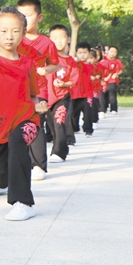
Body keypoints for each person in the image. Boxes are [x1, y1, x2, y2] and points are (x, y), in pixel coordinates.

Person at [0, 7, 47, 221]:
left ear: (24, 32)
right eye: (4, 31)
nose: (10, 36)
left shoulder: (28, 64)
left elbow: (34, 94)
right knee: (0, 154)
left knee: (17, 145)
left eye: (16, 31)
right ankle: (0, 184)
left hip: (27, 119)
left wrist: (39, 105)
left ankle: (23, 203)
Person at [16, 0, 58, 181]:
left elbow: (55, 64)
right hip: (17, 90)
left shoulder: (47, 43)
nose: (23, 19)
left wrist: (46, 70)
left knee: (37, 123)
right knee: (19, 124)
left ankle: (39, 165)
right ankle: (21, 161)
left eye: (28, 15)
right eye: (20, 15)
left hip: (39, 90)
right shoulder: (13, 40)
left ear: (39, 17)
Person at [45, 25, 78, 164]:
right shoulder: (46, 58)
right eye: (54, 38)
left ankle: (59, 152)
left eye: (61, 37)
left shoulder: (70, 61)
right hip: (46, 98)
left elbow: (73, 81)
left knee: (59, 122)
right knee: (51, 125)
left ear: (68, 39)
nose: (58, 41)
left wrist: (63, 84)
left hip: (62, 97)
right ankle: (57, 145)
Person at [71, 42, 95, 137]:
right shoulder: (75, 64)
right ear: (76, 53)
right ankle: (75, 128)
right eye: (80, 53)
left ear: (89, 53)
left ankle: (88, 129)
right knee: (74, 113)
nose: (82, 55)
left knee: (88, 112)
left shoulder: (91, 66)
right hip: (75, 93)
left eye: (85, 52)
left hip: (87, 93)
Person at [101, 46, 124, 115]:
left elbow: (120, 70)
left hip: (112, 80)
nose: (113, 53)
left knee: (112, 93)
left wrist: (116, 74)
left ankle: (113, 109)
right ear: (108, 52)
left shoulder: (117, 61)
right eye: (111, 51)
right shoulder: (103, 61)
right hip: (104, 79)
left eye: (115, 52)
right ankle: (102, 109)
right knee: (103, 94)